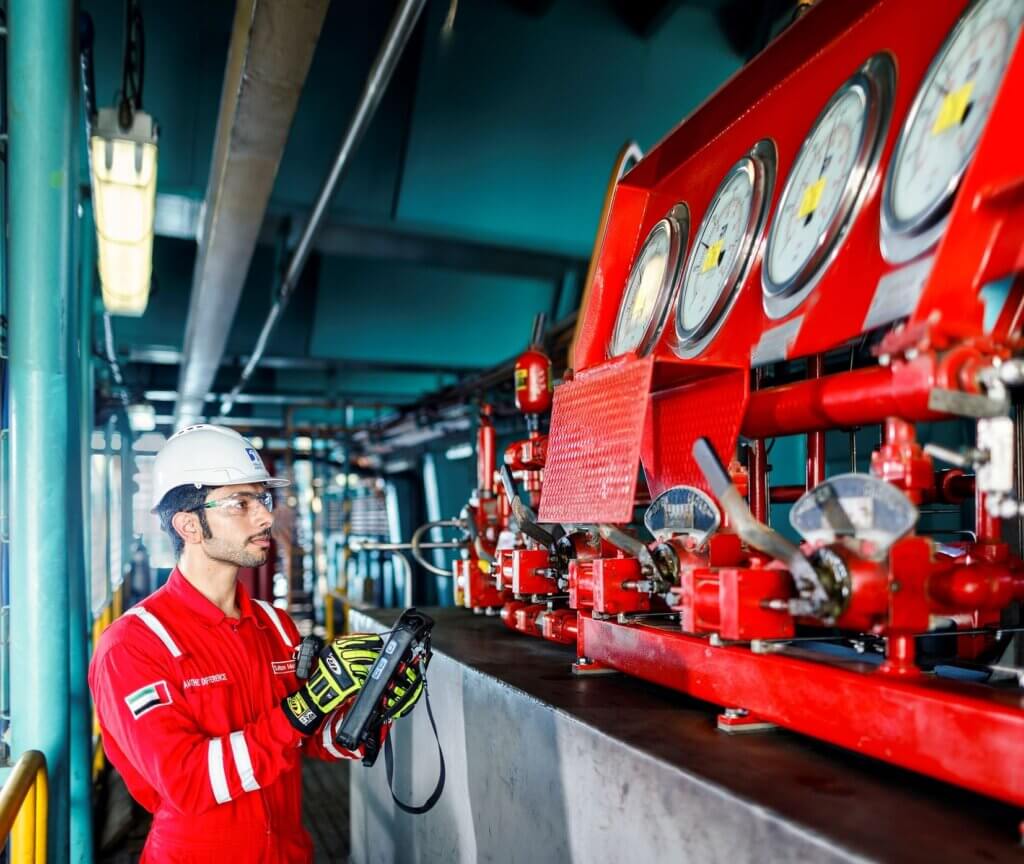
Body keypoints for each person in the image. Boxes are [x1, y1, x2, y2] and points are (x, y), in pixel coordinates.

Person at [89, 424, 423, 862]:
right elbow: (189, 783)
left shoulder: (274, 624)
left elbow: (308, 740)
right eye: (239, 503)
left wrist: (371, 711)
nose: (266, 517)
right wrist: (305, 706)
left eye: (262, 500)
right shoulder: (133, 646)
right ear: (189, 525)